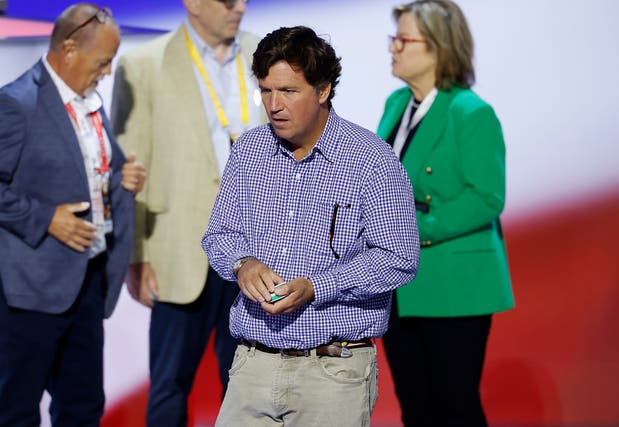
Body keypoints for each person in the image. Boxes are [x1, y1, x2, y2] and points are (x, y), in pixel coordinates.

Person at [201, 25, 420, 426]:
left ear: (323, 90)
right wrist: (243, 265)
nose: (274, 104)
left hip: (332, 372)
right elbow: (219, 235)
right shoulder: (249, 151)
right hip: (251, 365)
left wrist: (318, 287)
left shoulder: (372, 162)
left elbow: (400, 258)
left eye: (288, 91)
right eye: (266, 90)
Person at [110, 0, 265, 424]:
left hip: (256, 253)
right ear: (193, 3)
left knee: (251, 388)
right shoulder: (144, 64)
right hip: (177, 251)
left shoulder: (267, 55)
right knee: (169, 385)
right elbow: (129, 165)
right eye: (229, 1)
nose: (241, 7)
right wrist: (136, 255)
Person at [0, 3, 145, 426]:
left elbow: (91, 172)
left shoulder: (90, 105)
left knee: (82, 407)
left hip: (86, 283)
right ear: (68, 50)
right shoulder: (16, 105)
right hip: (31, 291)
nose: (107, 71)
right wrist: (45, 218)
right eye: (102, 61)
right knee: (16, 409)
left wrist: (124, 178)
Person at [377, 1, 516, 426]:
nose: (393, 48)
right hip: (402, 287)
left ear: (437, 47)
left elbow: (487, 197)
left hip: (455, 288)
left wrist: (413, 231)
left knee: (454, 408)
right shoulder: (397, 102)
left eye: (403, 39)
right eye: (393, 38)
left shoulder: (471, 113)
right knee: (416, 409)